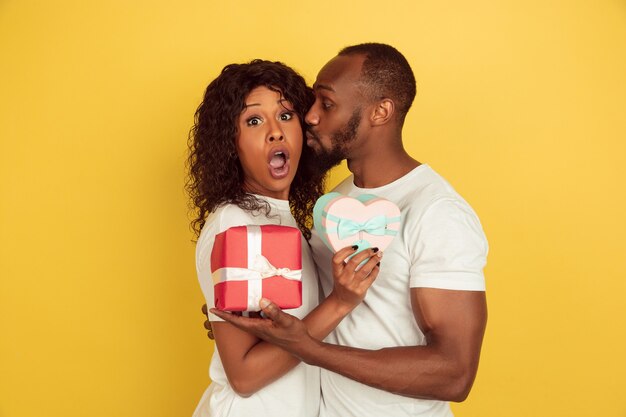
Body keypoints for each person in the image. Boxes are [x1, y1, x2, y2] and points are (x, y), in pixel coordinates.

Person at [211, 43, 489, 417]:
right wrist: (243, 322)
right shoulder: (336, 201)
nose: (309, 117)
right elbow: (316, 298)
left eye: (326, 104)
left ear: (381, 111)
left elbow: (455, 375)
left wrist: (308, 348)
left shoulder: (437, 213)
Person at [187, 59, 382, 417]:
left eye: (286, 116)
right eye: (254, 120)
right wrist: (339, 303)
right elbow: (244, 376)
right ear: (231, 143)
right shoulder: (236, 222)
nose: (275, 131)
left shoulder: (282, 217)